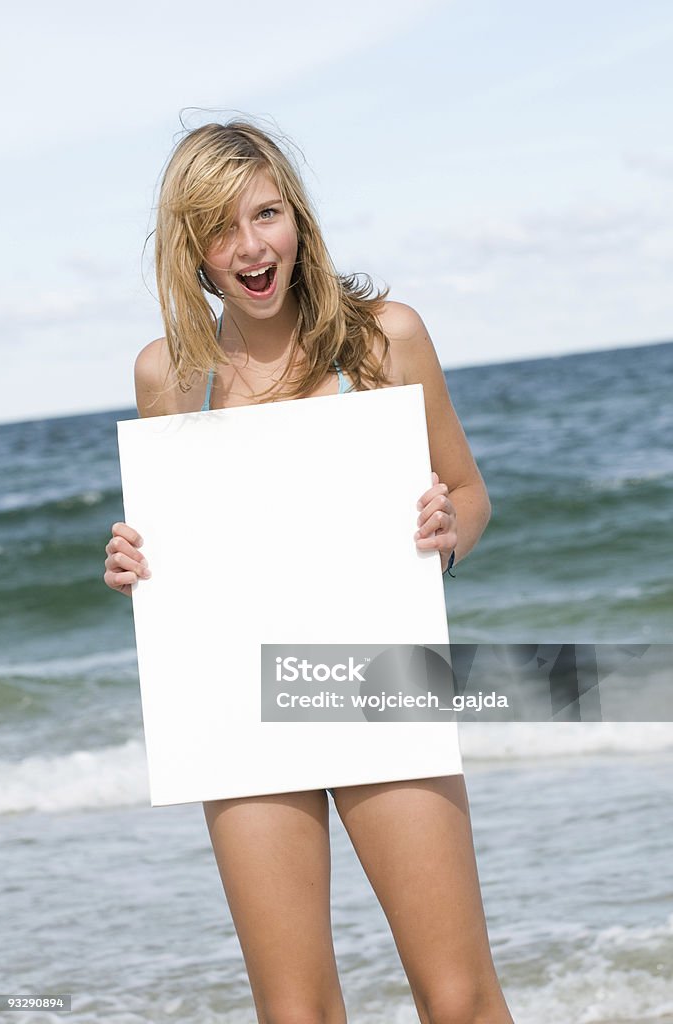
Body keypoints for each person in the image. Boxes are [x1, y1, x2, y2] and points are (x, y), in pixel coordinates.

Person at [104, 120, 514, 1024]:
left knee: (459, 1000)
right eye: (220, 227)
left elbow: (472, 493)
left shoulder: (384, 341)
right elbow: (168, 539)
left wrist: (449, 528)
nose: (251, 248)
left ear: (299, 219)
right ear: (191, 250)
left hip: (378, 676)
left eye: (267, 215)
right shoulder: (169, 376)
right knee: (295, 1014)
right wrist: (133, 557)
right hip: (234, 702)